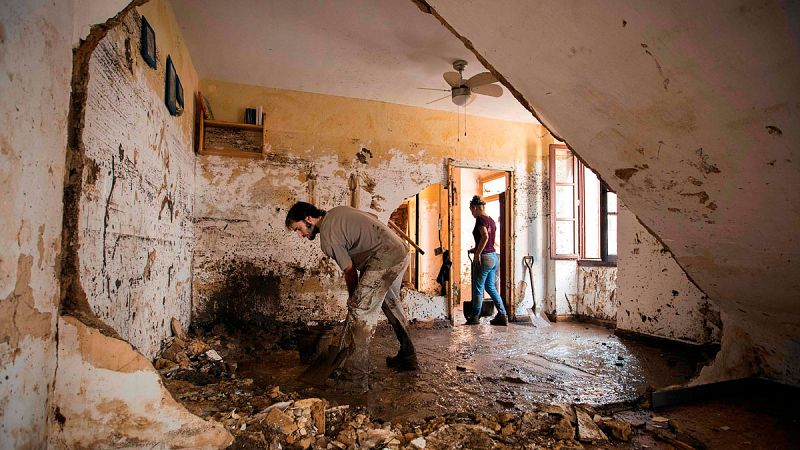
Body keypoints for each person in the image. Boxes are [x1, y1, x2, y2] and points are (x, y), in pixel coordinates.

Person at [285, 202, 419, 387]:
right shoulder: (336, 212)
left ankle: (355, 376)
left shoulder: (328, 237)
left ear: (308, 219)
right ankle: (408, 356)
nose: (301, 235)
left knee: (359, 312)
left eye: (298, 229)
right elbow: (372, 219)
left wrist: (353, 298)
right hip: (398, 251)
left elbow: (349, 270)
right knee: (390, 305)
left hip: (383, 258)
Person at [466, 195, 508, 326]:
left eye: (471, 210)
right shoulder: (491, 220)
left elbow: (485, 236)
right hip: (493, 257)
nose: (472, 213)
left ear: (475, 207)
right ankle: (502, 314)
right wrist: (475, 249)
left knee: (478, 288)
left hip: (484, 258)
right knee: (490, 287)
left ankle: (474, 317)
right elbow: (488, 241)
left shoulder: (480, 219)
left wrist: (477, 253)